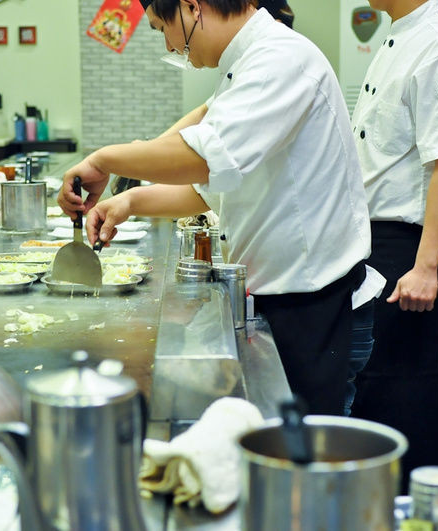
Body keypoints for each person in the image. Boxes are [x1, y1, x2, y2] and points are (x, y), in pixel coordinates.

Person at [59, 0, 380, 415]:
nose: (171, 46)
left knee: (307, 461)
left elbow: (205, 158)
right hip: (285, 298)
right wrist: (130, 200)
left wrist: (104, 159)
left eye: (161, 29)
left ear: (192, 7)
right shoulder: (244, 66)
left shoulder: (280, 58)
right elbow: (208, 188)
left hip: (314, 304)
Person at [348, 0, 438, 485]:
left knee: (404, 394)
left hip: (406, 249)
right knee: (374, 391)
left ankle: (415, 508)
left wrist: (426, 267)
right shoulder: (394, 39)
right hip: (371, 244)